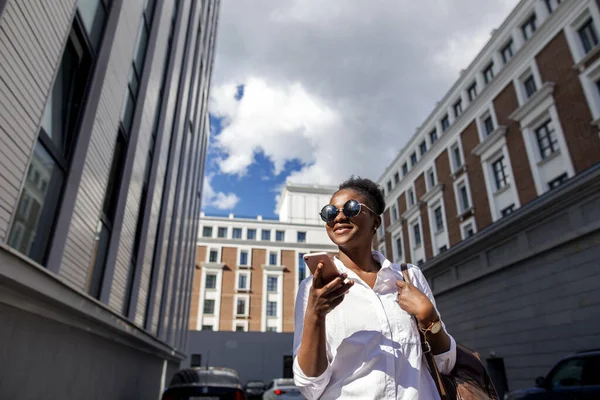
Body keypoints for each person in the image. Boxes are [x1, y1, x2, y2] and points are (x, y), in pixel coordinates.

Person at [293, 176, 457, 399]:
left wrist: (429, 317)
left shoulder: (410, 276)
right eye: (330, 212)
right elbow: (310, 387)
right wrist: (315, 315)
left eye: (351, 208)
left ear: (375, 222)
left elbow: (446, 364)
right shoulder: (313, 289)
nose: (339, 217)